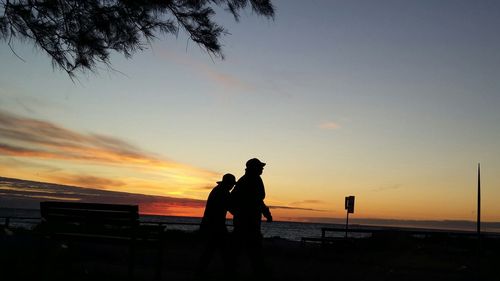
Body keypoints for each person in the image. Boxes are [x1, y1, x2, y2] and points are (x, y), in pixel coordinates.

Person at [230, 158, 272, 277]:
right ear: (254, 168)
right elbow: (233, 200)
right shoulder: (246, 181)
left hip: (250, 220)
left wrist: (265, 213)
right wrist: (240, 214)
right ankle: (258, 272)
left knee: (248, 247)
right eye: (260, 167)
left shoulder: (254, 179)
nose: (262, 168)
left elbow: (258, 200)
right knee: (250, 247)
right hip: (246, 221)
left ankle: (257, 271)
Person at [196, 173, 237, 278]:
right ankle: (229, 273)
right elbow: (232, 208)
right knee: (224, 250)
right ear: (228, 184)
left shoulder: (217, 190)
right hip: (216, 226)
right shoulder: (223, 192)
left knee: (210, 250)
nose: (232, 186)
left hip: (211, 225)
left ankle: (201, 272)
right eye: (232, 184)